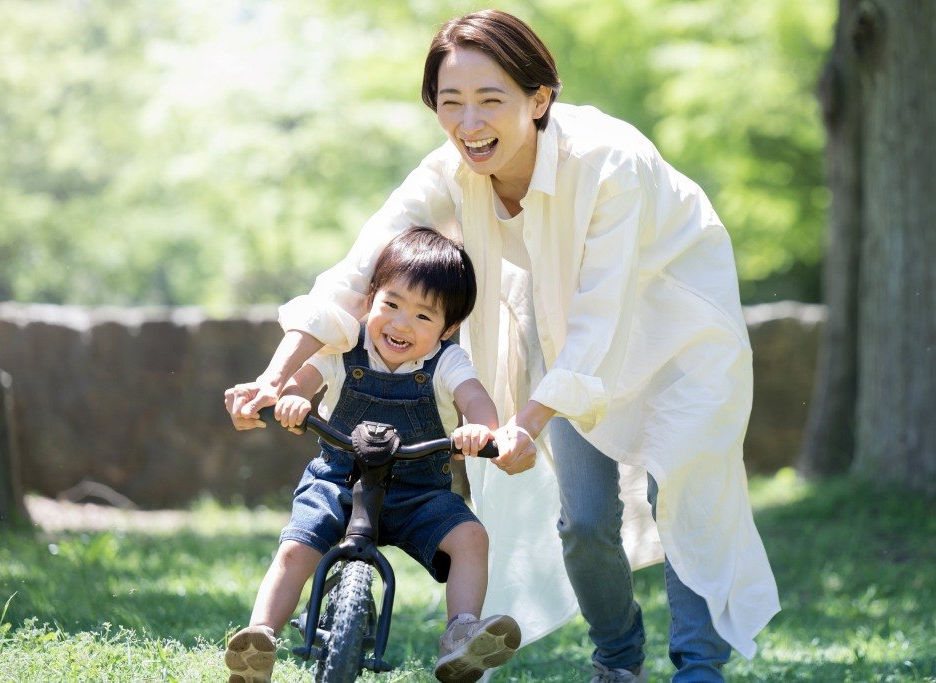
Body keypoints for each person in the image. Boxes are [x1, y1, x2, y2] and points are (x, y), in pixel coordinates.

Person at [226, 9, 779, 682]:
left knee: (687, 496)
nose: (469, 123)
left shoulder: (610, 164)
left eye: (491, 100)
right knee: (582, 520)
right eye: (450, 103)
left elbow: (603, 315)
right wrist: (275, 375)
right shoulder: (448, 173)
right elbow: (358, 273)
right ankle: (618, 656)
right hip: (571, 336)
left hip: (679, 331)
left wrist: (529, 420)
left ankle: (699, 669)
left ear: (539, 98)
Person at [223, 227, 521, 683]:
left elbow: (474, 397)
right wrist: (292, 400)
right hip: (337, 481)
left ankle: (461, 634)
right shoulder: (344, 348)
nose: (401, 325)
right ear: (369, 299)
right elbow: (302, 380)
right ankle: (260, 637)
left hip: (417, 494)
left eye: (424, 316)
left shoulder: (447, 363)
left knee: (470, 538)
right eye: (392, 304)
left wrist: (482, 429)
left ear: (449, 327)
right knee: (295, 549)